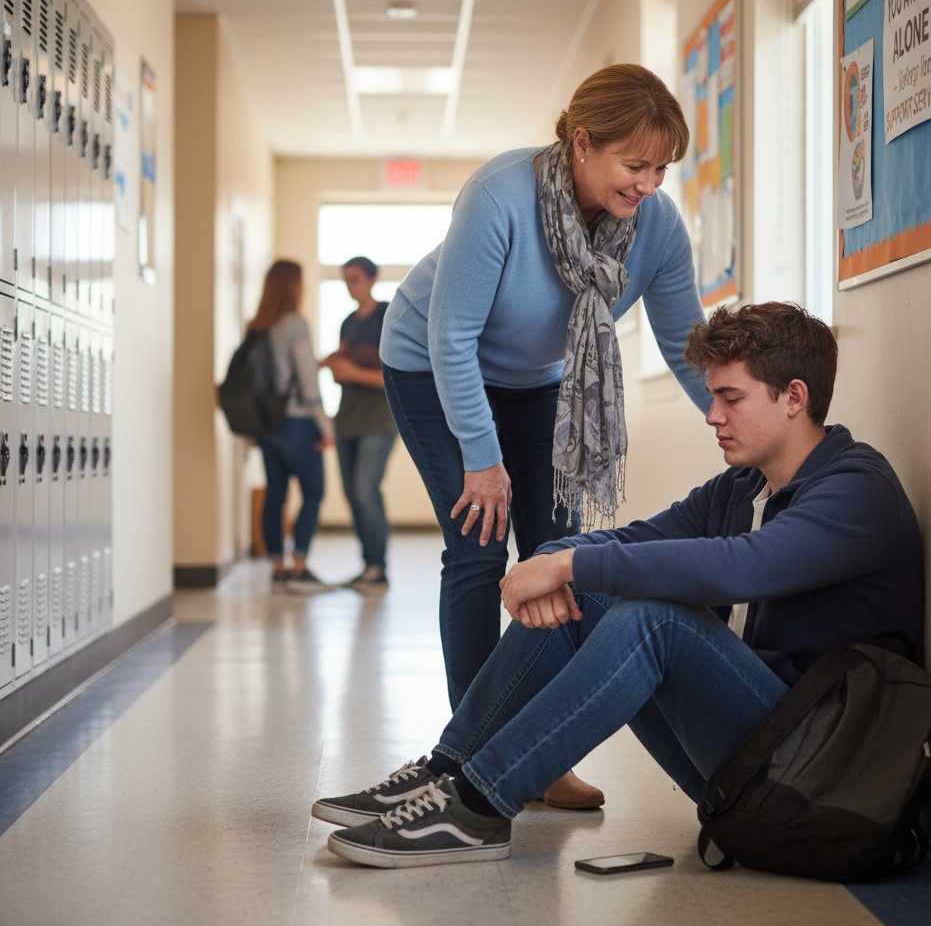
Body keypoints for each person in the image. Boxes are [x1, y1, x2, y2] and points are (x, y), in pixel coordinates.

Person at [316, 302, 925, 869]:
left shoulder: (857, 489)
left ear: (795, 397)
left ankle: (476, 808)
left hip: (811, 775)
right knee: (595, 595)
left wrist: (566, 568)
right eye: (712, 396)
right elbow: (639, 539)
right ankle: (450, 771)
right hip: (748, 757)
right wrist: (554, 557)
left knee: (653, 620)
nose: (712, 415)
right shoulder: (743, 487)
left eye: (730, 398)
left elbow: (741, 565)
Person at [376, 64, 711, 806]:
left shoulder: (653, 226)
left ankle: (534, 751)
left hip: (538, 382)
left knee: (558, 556)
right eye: (635, 164)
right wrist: (481, 459)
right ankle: (469, 754)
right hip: (431, 367)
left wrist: (728, 412)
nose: (649, 184)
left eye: (661, 167)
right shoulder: (500, 195)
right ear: (583, 144)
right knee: (477, 543)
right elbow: (451, 337)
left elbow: (687, 338)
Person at [249, 259, 334, 590]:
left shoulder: (257, 326)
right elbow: (307, 381)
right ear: (293, 286)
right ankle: (299, 565)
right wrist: (325, 426)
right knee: (313, 492)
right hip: (297, 421)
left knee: (276, 493)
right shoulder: (295, 324)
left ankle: (277, 567)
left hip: (267, 424)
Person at [321, 256, 397, 593]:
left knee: (366, 490)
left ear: (371, 279)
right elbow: (342, 361)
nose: (350, 286)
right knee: (352, 495)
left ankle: (378, 568)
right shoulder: (348, 322)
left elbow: (393, 374)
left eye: (355, 279)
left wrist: (353, 373)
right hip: (347, 419)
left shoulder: (387, 316)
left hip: (378, 418)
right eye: (345, 280)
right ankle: (367, 565)